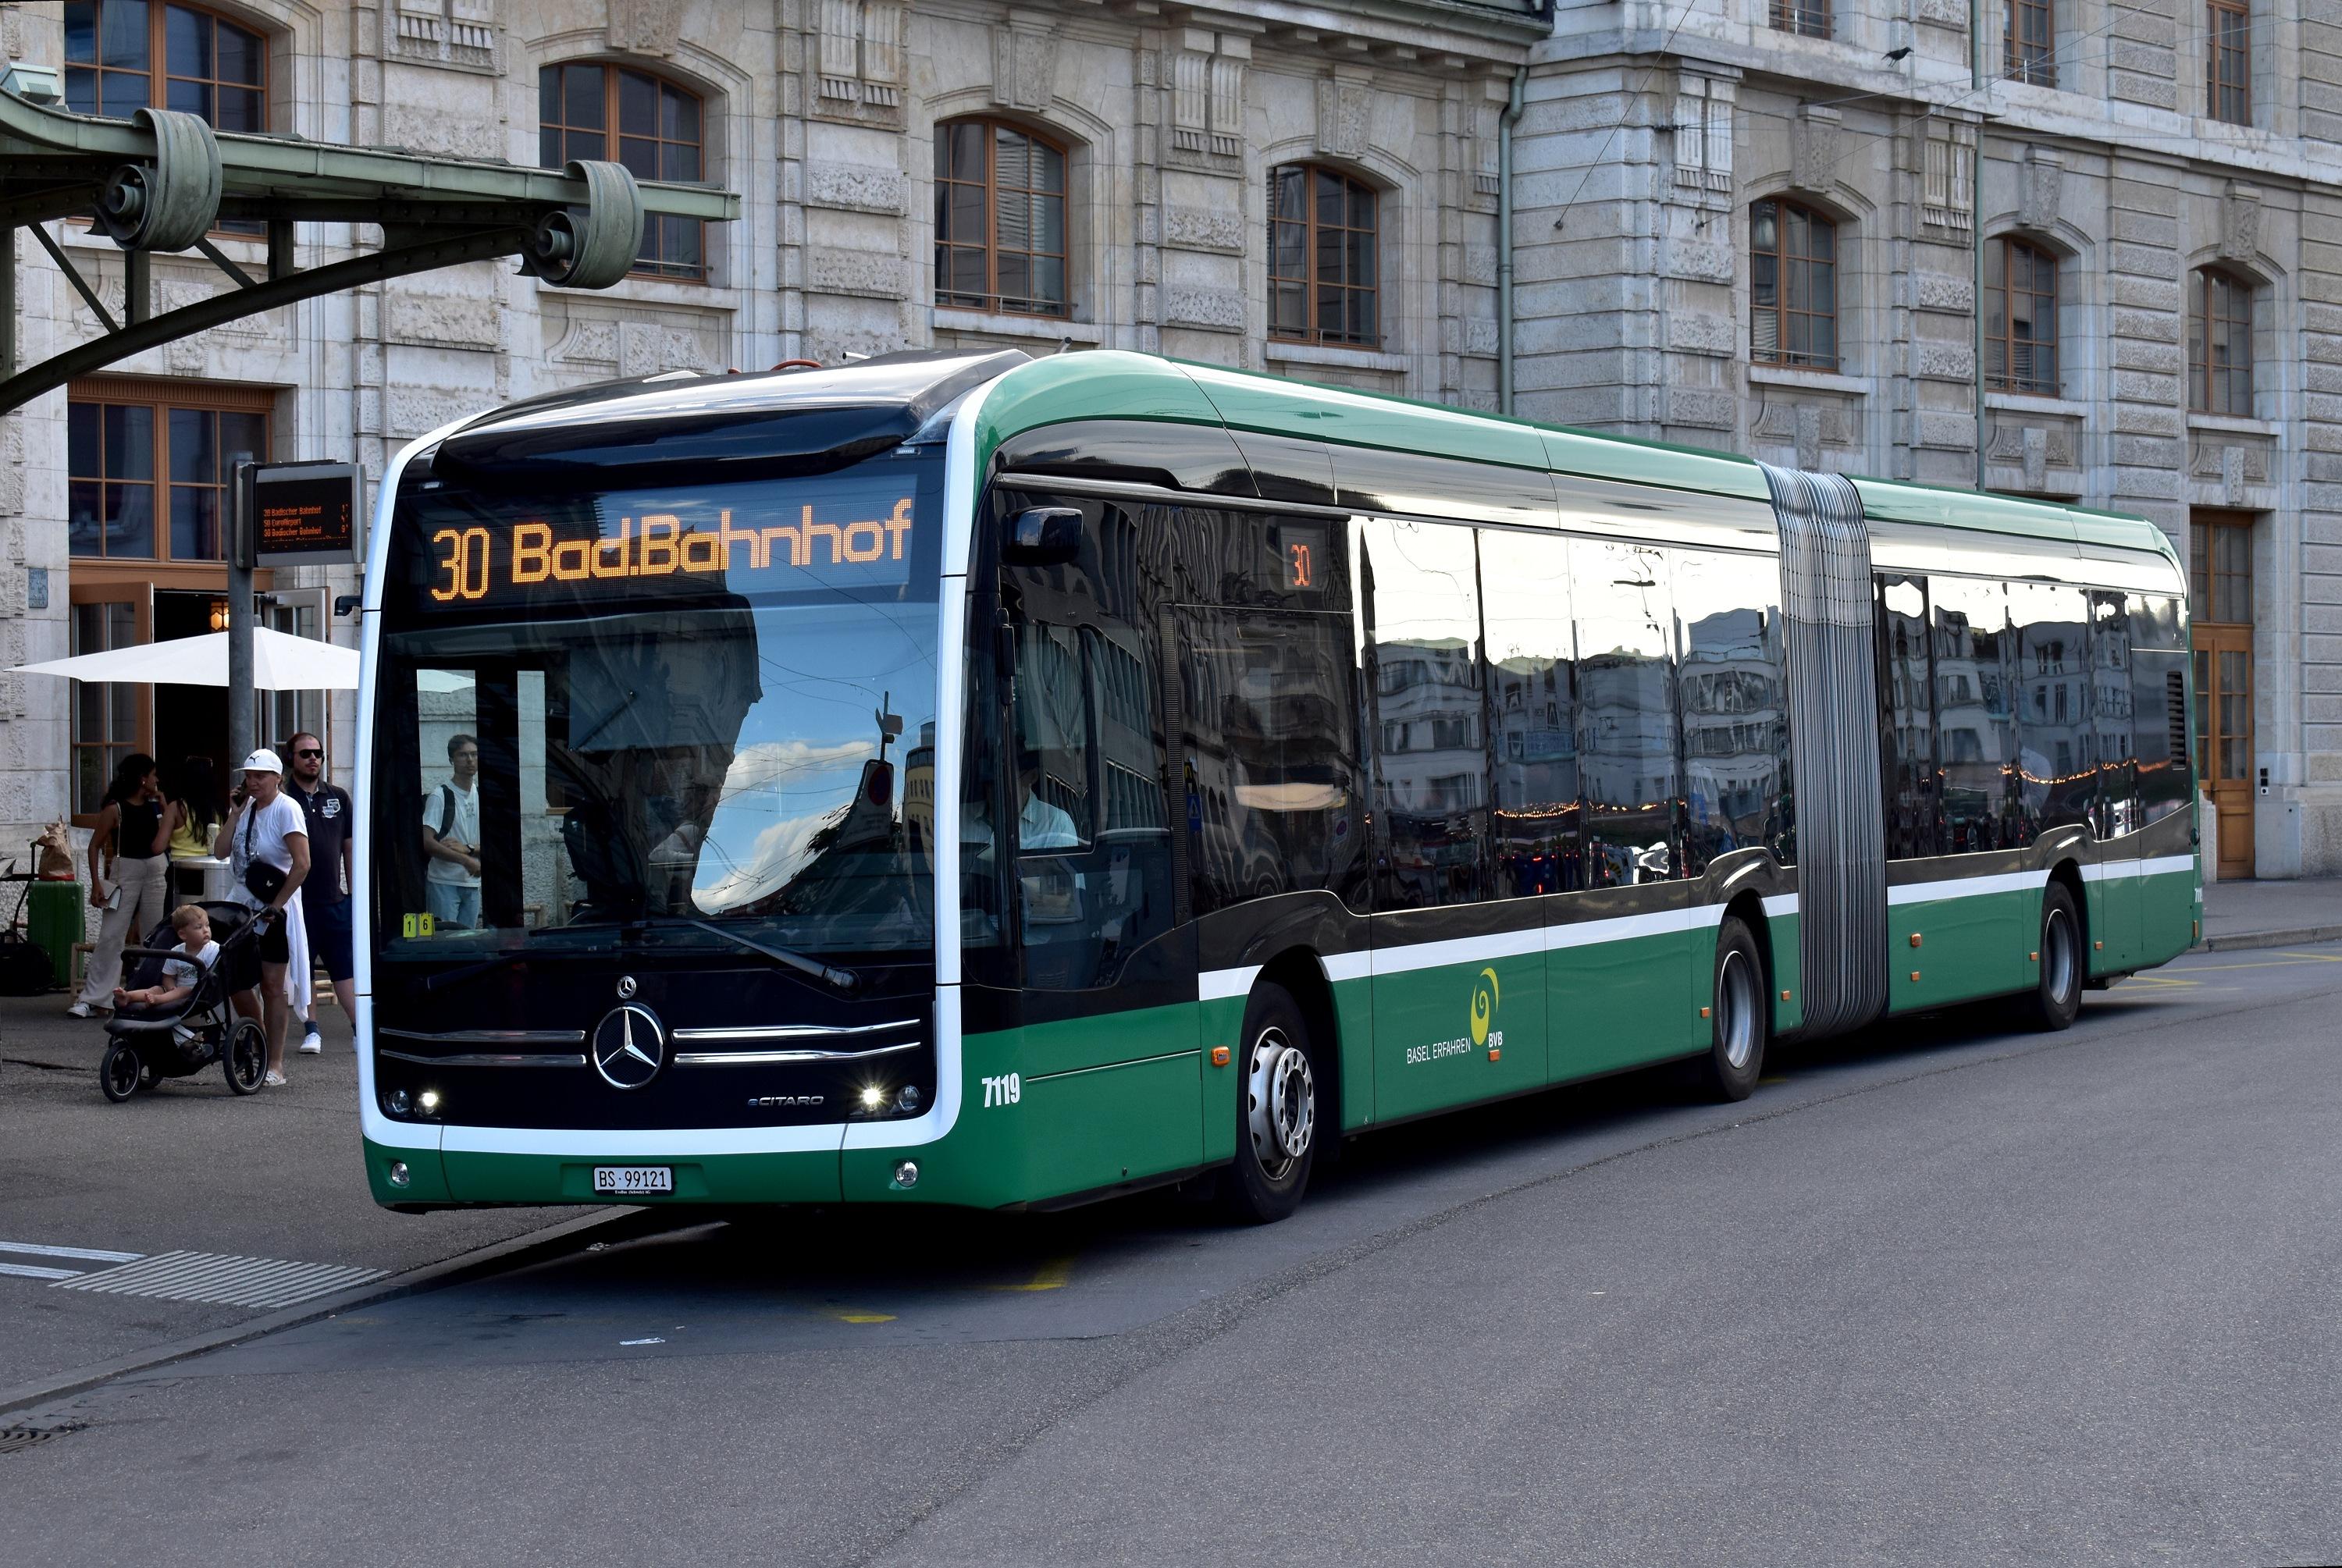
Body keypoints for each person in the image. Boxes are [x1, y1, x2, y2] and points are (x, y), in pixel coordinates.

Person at [215, 748, 310, 1088]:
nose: (252, 782)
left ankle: (277, 1062)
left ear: (277, 779)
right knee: (234, 978)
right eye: (249, 776)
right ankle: (258, 1037)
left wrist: (277, 906)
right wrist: (234, 814)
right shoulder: (247, 808)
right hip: (241, 902)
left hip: (274, 905)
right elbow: (220, 851)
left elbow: (302, 864)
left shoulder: (287, 808)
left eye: (260, 777)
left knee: (271, 985)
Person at [69, 753, 179, 1019]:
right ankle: (94, 997)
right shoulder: (116, 808)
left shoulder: (155, 806)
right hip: (126, 869)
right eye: (153, 775)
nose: (157, 780)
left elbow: (174, 830)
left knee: (155, 935)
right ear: (143, 779)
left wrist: (164, 804)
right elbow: (95, 844)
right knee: (112, 935)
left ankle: (149, 994)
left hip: (155, 868)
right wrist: (96, 882)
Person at [283, 731, 354, 1054]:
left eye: (319, 753)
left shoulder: (337, 796)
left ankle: (358, 1030)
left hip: (334, 898)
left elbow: (349, 848)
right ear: (292, 759)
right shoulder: (283, 797)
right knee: (304, 967)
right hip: (298, 901)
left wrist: (355, 895)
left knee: (345, 968)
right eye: (306, 754)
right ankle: (312, 1029)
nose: (314, 759)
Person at [419, 733, 483, 929]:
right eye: (463, 755)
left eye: (474, 754)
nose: (470, 760)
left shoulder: (480, 794)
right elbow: (426, 841)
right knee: (443, 942)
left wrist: (468, 849)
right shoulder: (441, 796)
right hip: (443, 882)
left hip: (472, 884)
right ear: (452, 760)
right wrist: (465, 860)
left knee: (469, 944)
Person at [112, 903, 217, 1011]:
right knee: (156, 988)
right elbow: (168, 977)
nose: (206, 930)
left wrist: (176, 991)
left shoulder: (213, 950)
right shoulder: (176, 952)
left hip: (197, 992)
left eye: (207, 925)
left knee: (183, 990)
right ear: (183, 935)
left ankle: (158, 1000)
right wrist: (170, 987)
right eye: (199, 927)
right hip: (175, 989)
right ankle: (129, 996)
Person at [166, 755, 222, 901]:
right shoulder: (219, 808)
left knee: (179, 916)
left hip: (181, 868)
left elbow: (158, 846)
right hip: (212, 868)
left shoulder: (177, 808)